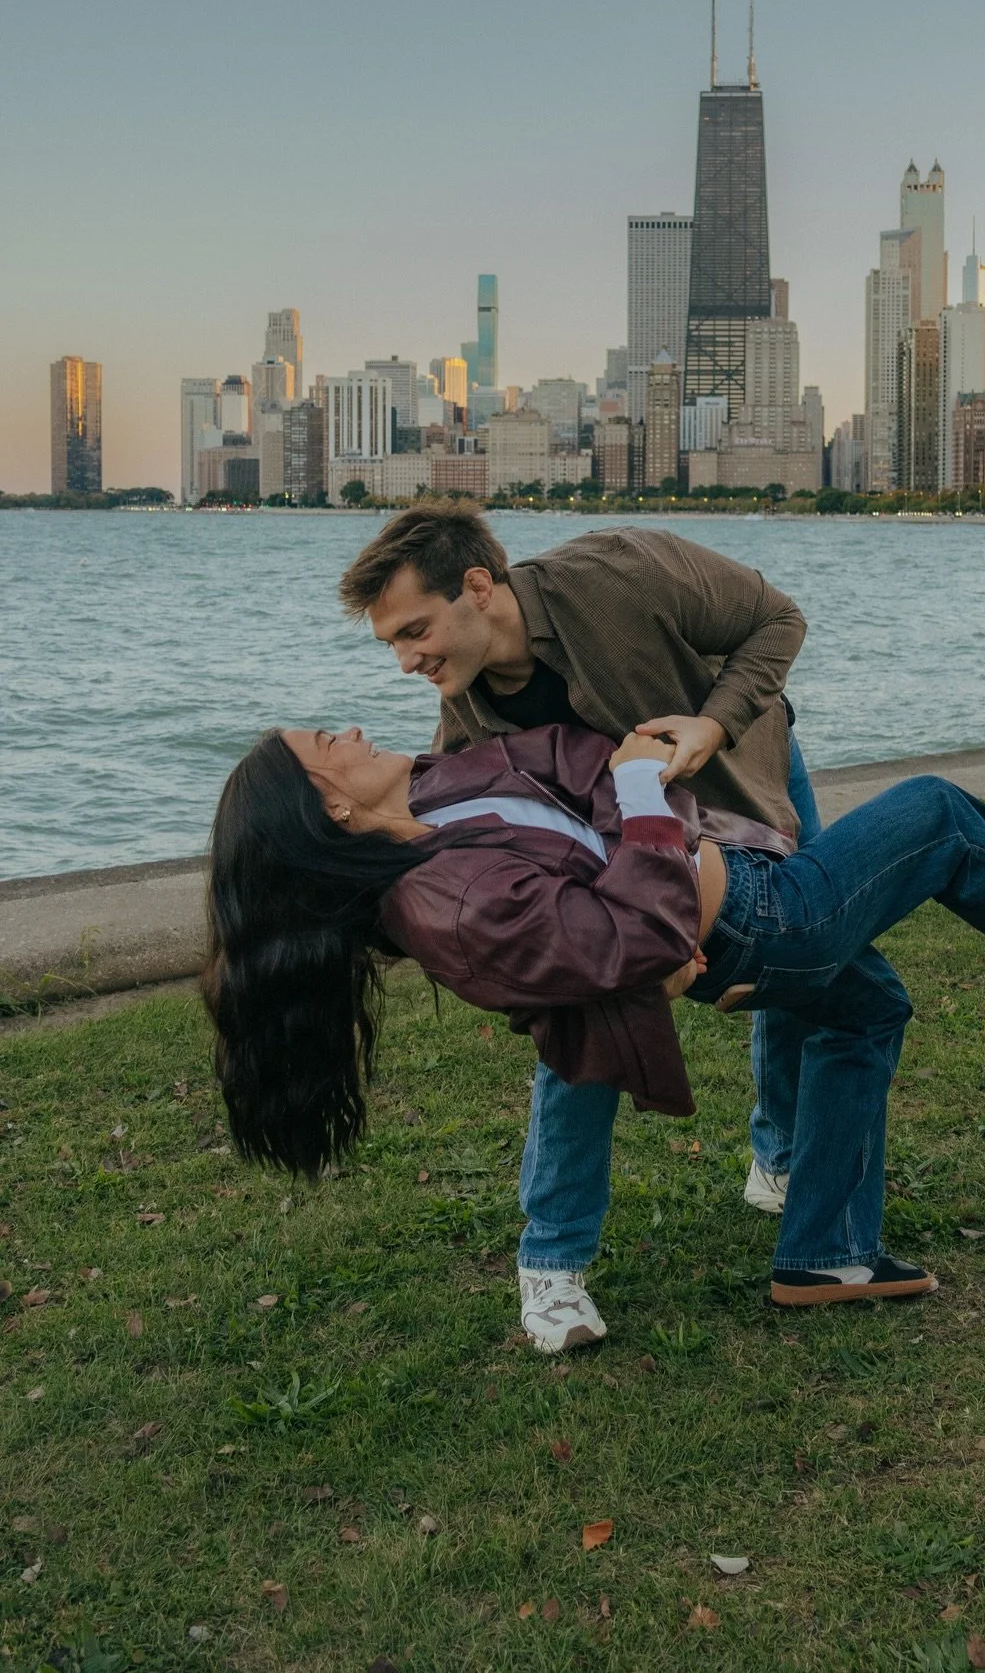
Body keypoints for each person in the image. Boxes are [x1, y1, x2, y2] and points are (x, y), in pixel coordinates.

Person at [204, 717, 985, 1347]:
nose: (355, 731)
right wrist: (645, 811)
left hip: (728, 901)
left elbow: (579, 758)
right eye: (331, 741)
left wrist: (637, 814)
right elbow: (634, 923)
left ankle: (829, 1255)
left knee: (869, 1008)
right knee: (934, 812)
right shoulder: (446, 900)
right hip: (763, 920)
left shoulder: (440, 789)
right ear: (330, 806)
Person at [335, 503, 848, 1347]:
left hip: (744, 776)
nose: (405, 660)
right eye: (390, 641)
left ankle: (782, 1158)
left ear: (478, 586)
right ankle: (552, 1266)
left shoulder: (622, 568)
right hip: (631, 841)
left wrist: (714, 724)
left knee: (809, 971)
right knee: (580, 1010)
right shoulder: (463, 717)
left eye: (415, 630)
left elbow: (776, 618)